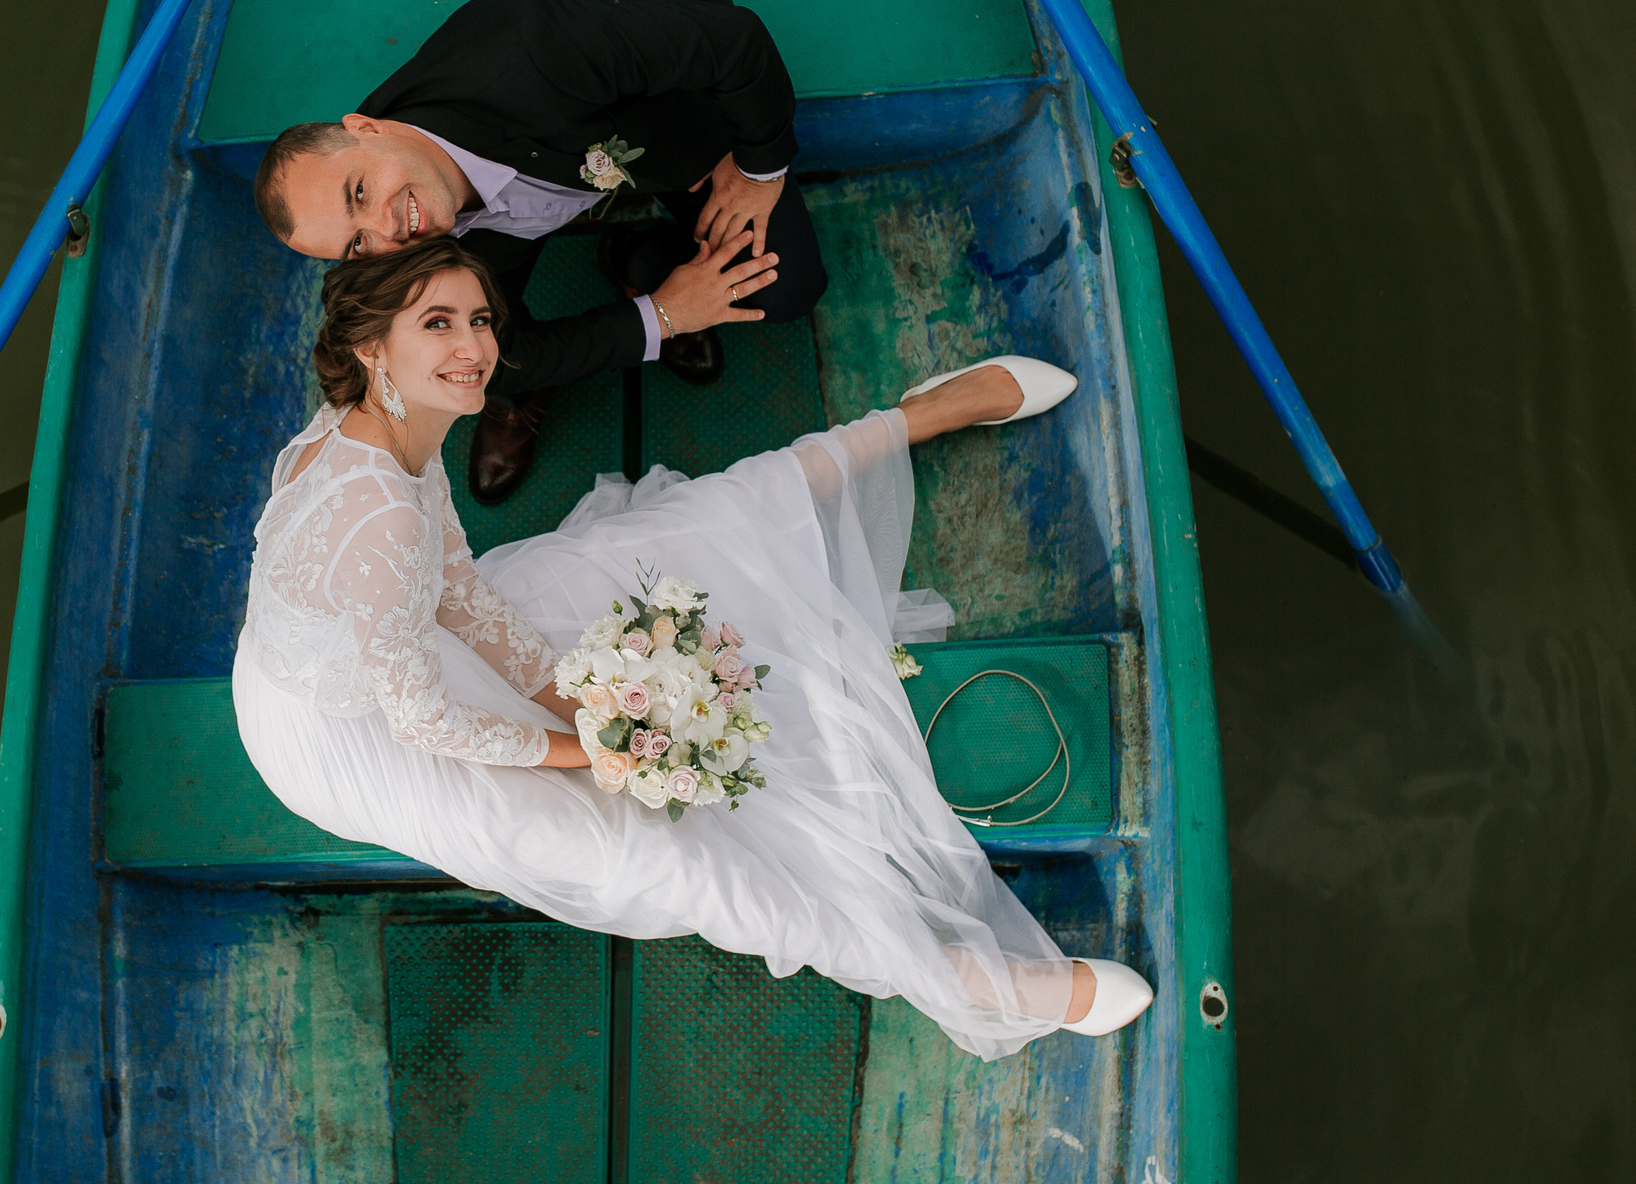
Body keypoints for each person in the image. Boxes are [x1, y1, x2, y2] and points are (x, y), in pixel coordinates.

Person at [232, 240, 1152, 1058]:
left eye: (478, 318)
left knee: (663, 548)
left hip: (398, 644)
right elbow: (425, 719)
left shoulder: (393, 422)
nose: (472, 345)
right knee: (658, 858)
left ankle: (915, 417)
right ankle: (983, 980)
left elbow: (456, 589)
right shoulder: (379, 509)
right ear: (371, 346)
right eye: (437, 323)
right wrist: (596, 751)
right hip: (356, 740)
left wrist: (571, 699)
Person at [253, 0, 821, 506]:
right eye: (355, 243)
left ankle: (641, 259)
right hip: (528, 208)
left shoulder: (542, 44)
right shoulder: (396, 240)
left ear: (367, 128)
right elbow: (495, 350)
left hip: (672, 121)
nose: (386, 229)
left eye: (358, 192)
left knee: (786, 287)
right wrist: (663, 315)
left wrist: (758, 169)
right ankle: (524, 389)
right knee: (472, 356)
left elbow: (735, 42)